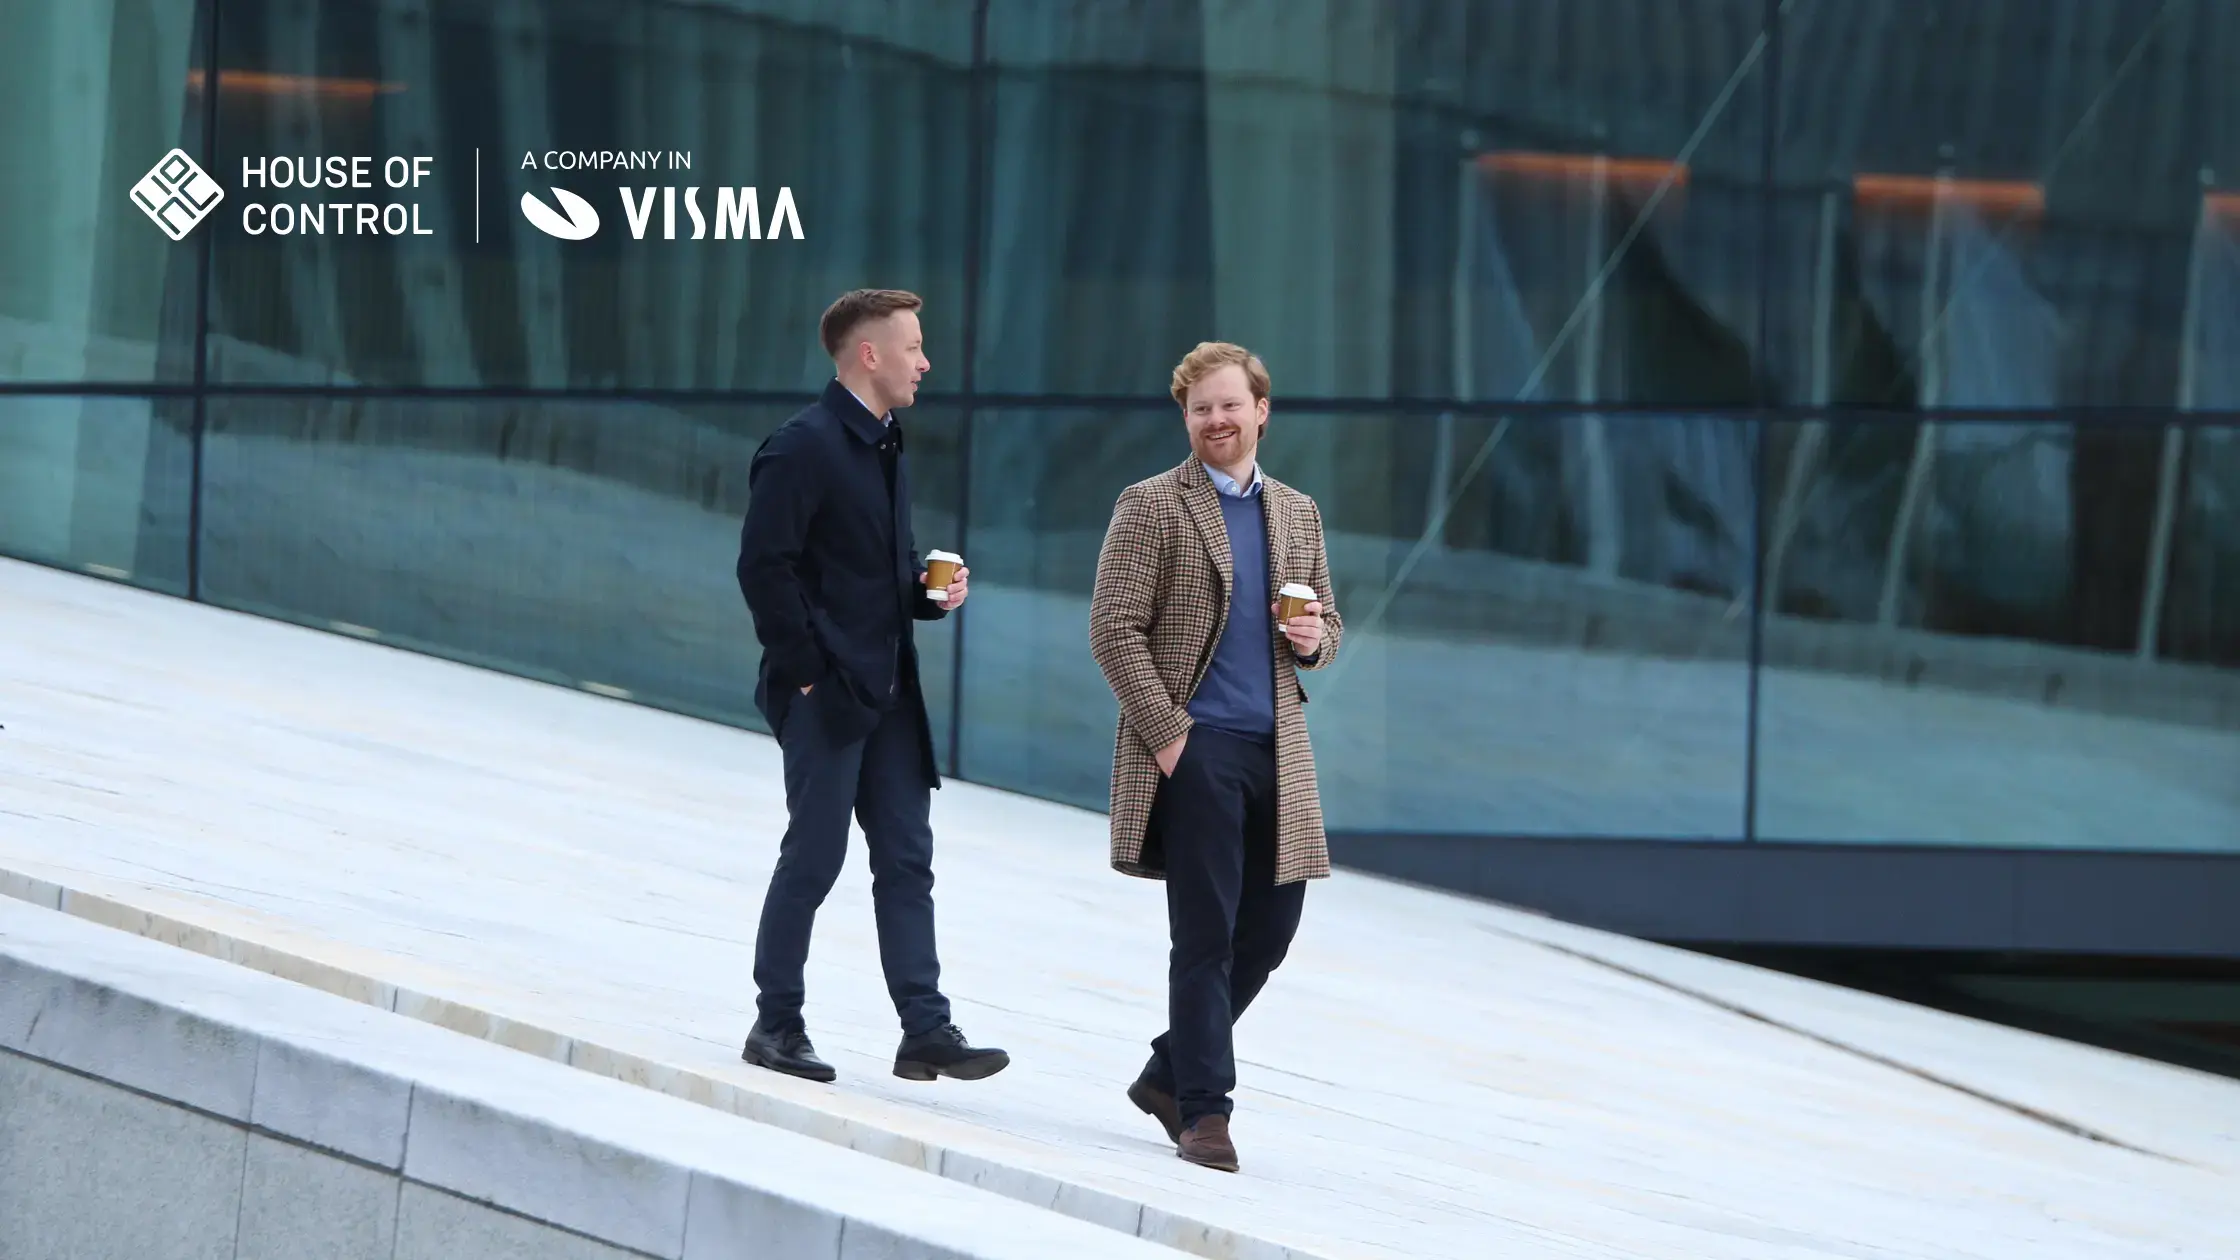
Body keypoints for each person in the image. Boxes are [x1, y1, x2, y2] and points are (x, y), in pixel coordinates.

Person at [734, 288, 1007, 1085]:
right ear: (869, 354)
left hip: (889, 694)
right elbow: (764, 570)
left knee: (906, 859)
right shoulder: (802, 447)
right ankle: (775, 1023)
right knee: (814, 857)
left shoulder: (886, 444)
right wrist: (807, 676)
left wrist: (927, 594)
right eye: (913, 347)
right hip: (827, 693)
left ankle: (925, 1030)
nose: (925, 362)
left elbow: (866, 573)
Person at [1088, 341, 1342, 1173]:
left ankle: (1168, 1071)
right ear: (1187, 419)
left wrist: (1312, 639)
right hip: (1197, 748)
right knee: (1204, 935)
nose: (1216, 420)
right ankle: (1204, 1111)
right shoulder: (1151, 504)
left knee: (1269, 932)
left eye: (1230, 405)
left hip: (1279, 752)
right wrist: (1171, 739)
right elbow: (1113, 629)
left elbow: (1329, 627)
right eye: (1201, 409)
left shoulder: (1298, 512)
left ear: (1261, 410)